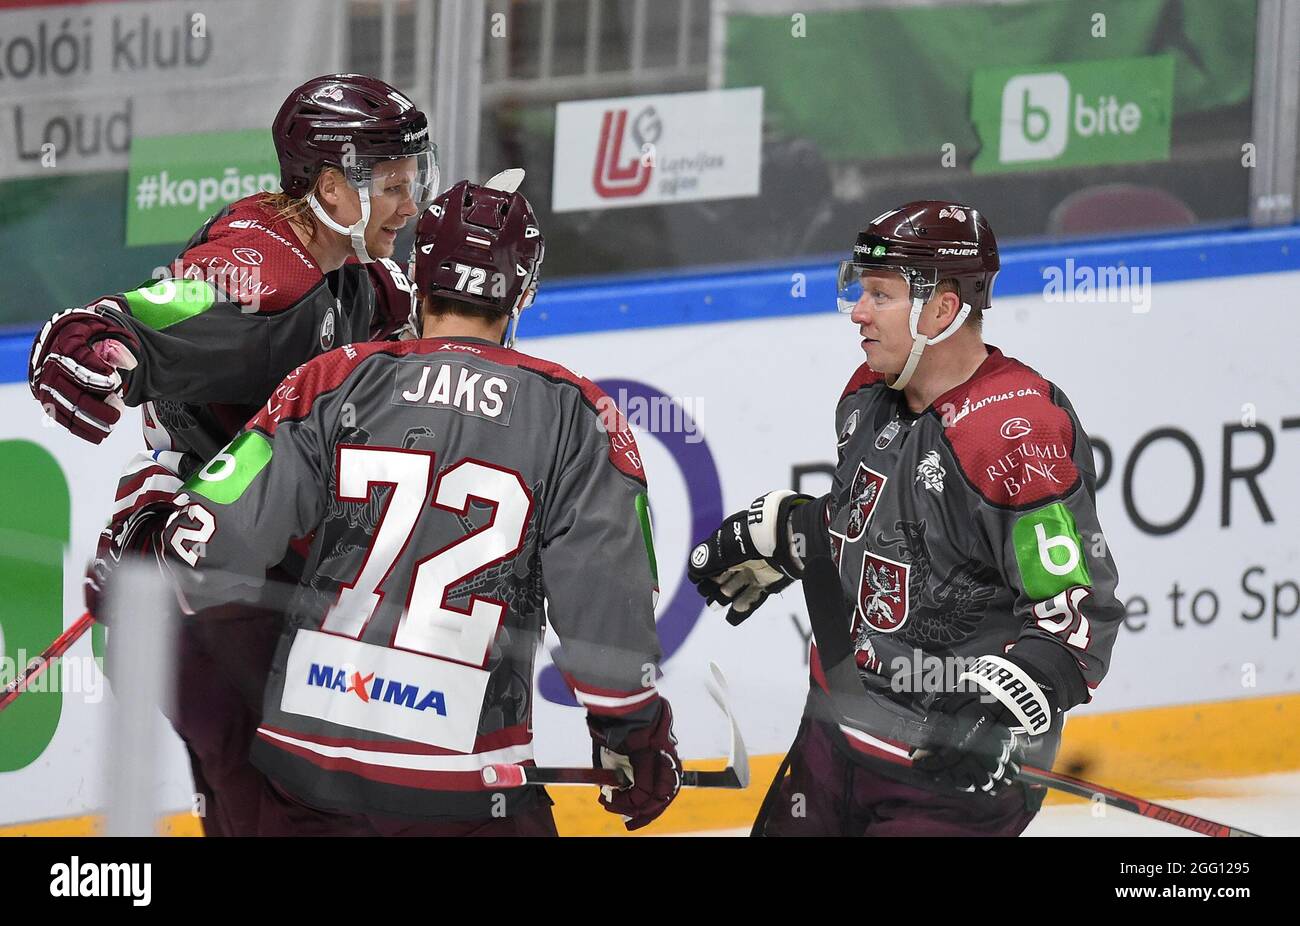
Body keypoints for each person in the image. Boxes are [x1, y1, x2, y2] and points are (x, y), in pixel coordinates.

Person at [87, 177, 682, 835]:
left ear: (416, 275)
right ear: (522, 293)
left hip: (310, 778)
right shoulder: (579, 415)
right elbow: (606, 617)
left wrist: (147, 529)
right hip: (465, 788)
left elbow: (209, 545)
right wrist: (634, 734)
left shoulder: (329, 381)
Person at [36, 73, 436, 835]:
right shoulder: (262, 267)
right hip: (204, 584)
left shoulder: (364, 279)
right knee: (276, 803)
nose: (408, 205)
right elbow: (171, 304)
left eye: (413, 182)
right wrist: (100, 336)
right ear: (329, 187)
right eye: (390, 186)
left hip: (258, 573)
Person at [687, 201, 1124, 836]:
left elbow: (1075, 613)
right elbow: (887, 528)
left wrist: (1001, 709)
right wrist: (795, 533)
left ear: (941, 310)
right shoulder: (868, 392)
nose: (859, 313)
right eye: (860, 291)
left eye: (880, 295)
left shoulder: (1012, 431)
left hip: (949, 772)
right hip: (834, 737)